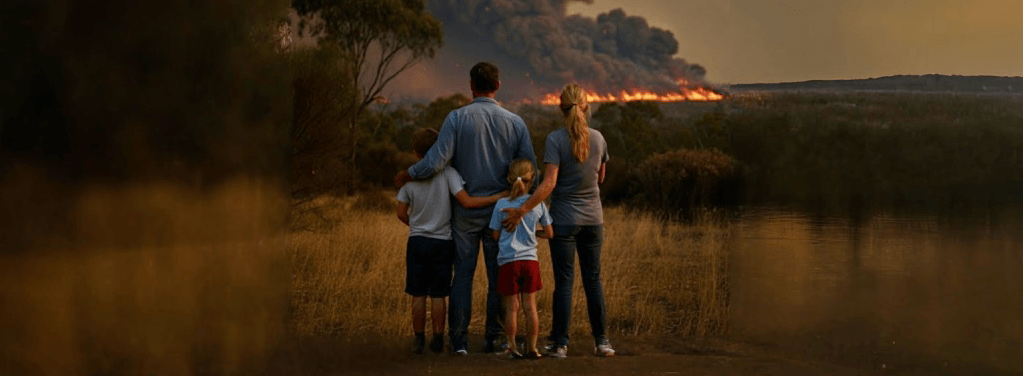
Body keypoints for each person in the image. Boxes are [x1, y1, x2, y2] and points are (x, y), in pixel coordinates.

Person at [395, 62, 537, 355]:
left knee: (462, 276)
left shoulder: (457, 118)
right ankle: (494, 338)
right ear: (497, 85)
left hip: (465, 214)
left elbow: (435, 161)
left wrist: (409, 173)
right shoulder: (516, 123)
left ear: (471, 86)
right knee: (498, 276)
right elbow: (530, 170)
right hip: (502, 212)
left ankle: (459, 341)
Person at [501, 83, 615, 358]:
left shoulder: (555, 140)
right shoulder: (599, 139)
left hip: (564, 219)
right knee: (594, 280)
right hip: (593, 220)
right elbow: (600, 178)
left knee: (565, 282)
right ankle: (602, 342)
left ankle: (560, 344)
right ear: (585, 107)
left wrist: (522, 209)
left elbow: (550, 183)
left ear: (561, 107)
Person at [396, 128, 508, 354]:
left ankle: (419, 339)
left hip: (417, 241)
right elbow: (466, 202)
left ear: (416, 153)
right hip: (442, 242)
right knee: (439, 294)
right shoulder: (448, 174)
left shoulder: (410, 179)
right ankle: (438, 338)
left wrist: (417, 226)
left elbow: (401, 213)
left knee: (418, 294)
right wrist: (497, 197)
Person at [488, 159, 552, 359]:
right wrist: (534, 236)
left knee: (511, 308)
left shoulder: (501, 204)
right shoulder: (538, 204)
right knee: (530, 306)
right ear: (531, 179)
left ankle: (512, 346)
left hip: (508, 262)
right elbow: (550, 233)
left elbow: (495, 235)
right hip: (530, 262)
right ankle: (532, 348)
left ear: (509, 179)